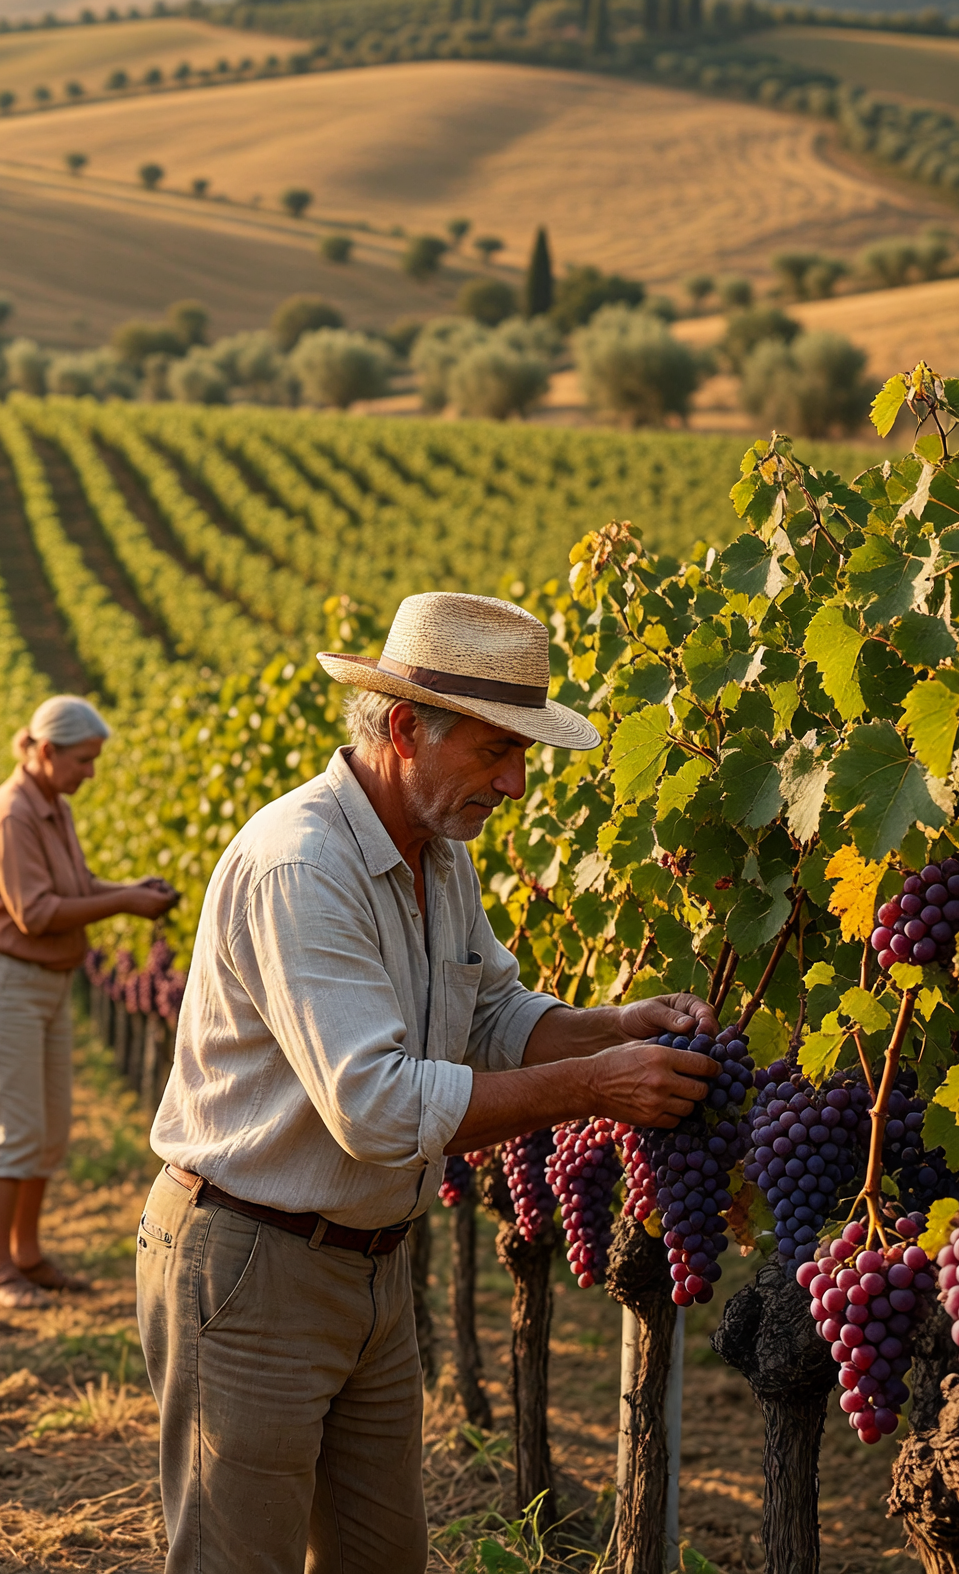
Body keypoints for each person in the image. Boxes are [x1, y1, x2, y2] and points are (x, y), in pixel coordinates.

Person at [140, 591, 724, 1574]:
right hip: (250, 1267)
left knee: (382, 1557)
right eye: (497, 752)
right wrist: (595, 1085)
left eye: (522, 755)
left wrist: (611, 1026)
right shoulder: (301, 867)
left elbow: (493, 1016)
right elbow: (374, 1107)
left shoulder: (437, 858)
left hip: (371, 1266)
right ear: (405, 728)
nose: (516, 784)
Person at [0, 694, 177, 1309]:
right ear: (47, 751)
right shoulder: (11, 815)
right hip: (7, 982)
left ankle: (27, 1254)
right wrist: (124, 904)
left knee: (49, 1131)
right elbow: (35, 913)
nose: (91, 773)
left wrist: (128, 890)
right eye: (84, 760)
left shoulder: (52, 804)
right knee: (14, 1130)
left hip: (44, 983)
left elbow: (74, 890)